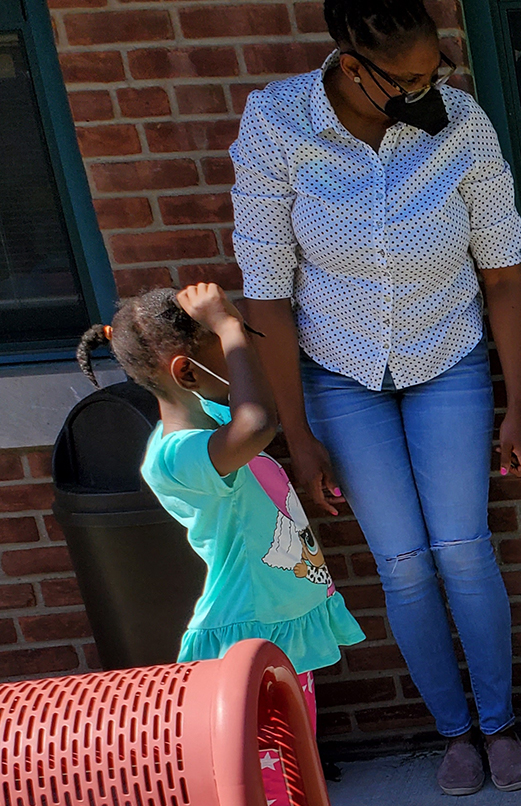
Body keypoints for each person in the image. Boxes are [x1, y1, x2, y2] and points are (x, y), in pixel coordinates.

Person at [227, 0, 521, 794]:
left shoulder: (460, 125)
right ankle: (455, 732)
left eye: (435, 73)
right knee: (402, 566)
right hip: (339, 374)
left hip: (448, 360)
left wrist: (516, 407)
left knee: (464, 552)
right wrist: (297, 435)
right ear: (351, 62)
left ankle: (500, 726)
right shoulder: (277, 124)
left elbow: (502, 275)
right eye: (406, 79)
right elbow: (268, 298)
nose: (424, 91)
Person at [76, 284, 367, 806]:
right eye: (232, 352)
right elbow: (259, 422)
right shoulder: (175, 457)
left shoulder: (210, 423)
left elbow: (247, 417)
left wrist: (225, 330)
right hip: (242, 635)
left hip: (273, 626)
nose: (242, 362)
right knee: (272, 787)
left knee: (294, 772)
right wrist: (228, 324)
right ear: (187, 372)